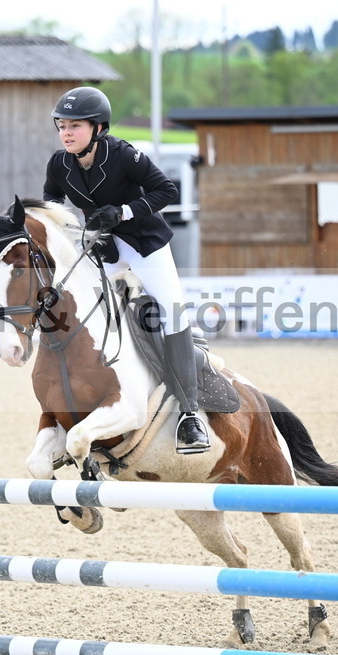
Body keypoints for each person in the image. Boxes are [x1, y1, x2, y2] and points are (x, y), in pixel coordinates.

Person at [42, 86, 208, 455]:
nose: (66, 133)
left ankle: (189, 415)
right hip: (105, 247)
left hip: (145, 243)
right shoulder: (60, 163)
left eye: (75, 126)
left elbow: (165, 190)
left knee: (172, 311)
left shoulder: (125, 156)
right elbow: (51, 200)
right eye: (62, 126)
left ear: (98, 129)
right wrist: (62, 224)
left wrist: (124, 211)